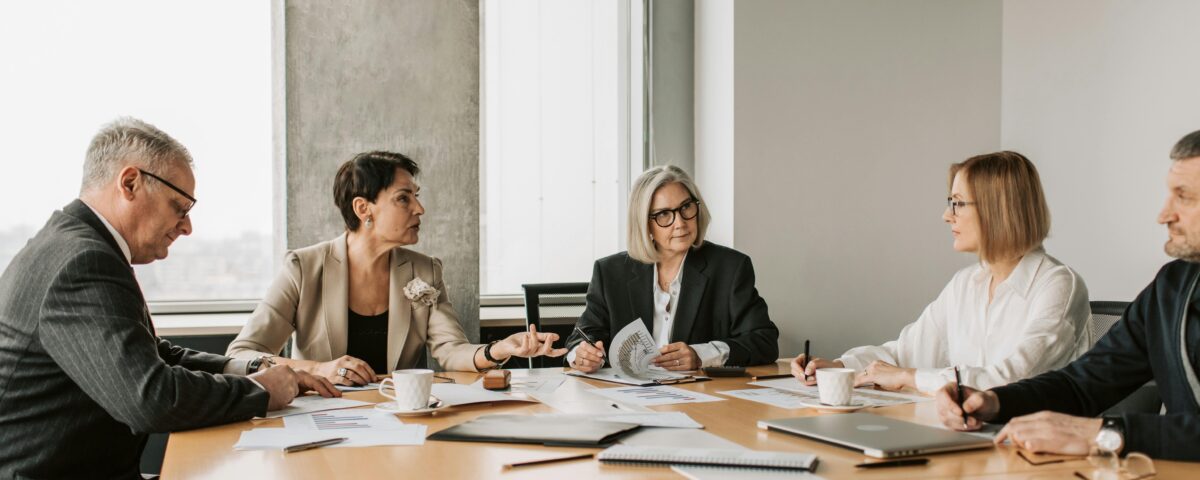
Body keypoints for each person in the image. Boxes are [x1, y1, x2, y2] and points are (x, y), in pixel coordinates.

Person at [0, 118, 337, 478]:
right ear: (129, 183)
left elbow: (153, 354)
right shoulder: (83, 261)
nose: (187, 227)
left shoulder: (73, 245)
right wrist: (260, 392)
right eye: (180, 206)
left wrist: (253, 368)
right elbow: (150, 399)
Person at [937, 130, 1200, 462]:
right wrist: (994, 401)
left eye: (1185, 197)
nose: (1164, 214)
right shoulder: (1173, 287)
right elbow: (1083, 383)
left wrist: (1105, 434)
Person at [227, 151, 565, 385]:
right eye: (404, 198)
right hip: (317, 422)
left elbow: (451, 351)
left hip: (399, 422)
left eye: (416, 196)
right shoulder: (303, 267)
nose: (420, 208)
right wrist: (318, 369)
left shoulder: (426, 271)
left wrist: (500, 349)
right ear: (364, 208)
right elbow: (242, 354)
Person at [793, 151, 1091, 394]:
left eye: (958, 204)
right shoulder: (966, 284)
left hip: (1030, 448)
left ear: (998, 210)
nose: (946, 215)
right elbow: (904, 354)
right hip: (965, 433)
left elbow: (1010, 380)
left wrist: (909, 378)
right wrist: (840, 368)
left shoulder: (1058, 285)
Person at [565, 165, 779, 372]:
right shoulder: (610, 272)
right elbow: (582, 336)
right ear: (644, 224)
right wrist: (582, 355)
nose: (680, 223)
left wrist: (701, 355)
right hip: (626, 399)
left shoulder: (730, 267)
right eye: (664, 214)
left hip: (703, 400)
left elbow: (764, 341)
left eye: (686, 207)